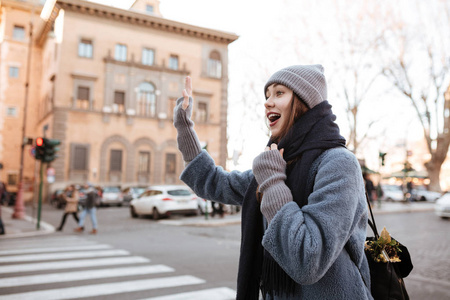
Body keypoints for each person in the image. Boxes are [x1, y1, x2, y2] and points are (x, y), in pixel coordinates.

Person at [173, 65, 371, 299]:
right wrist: (185, 128)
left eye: (279, 93)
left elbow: (309, 261)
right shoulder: (278, 163)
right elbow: (215, 182)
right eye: (267, 95)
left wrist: (274, 181)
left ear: (304, 102)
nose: (267, 102)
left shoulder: (338, 163)